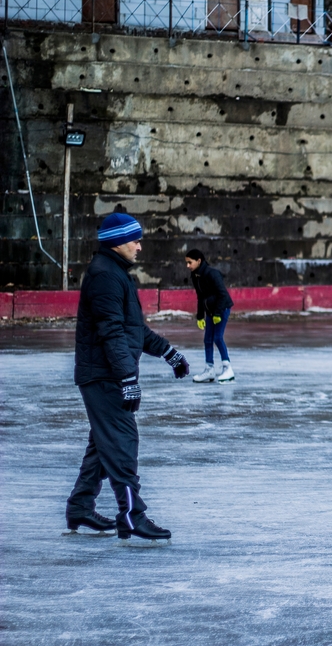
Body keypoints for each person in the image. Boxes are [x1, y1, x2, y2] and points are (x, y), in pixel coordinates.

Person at [66, 213, 189, 543]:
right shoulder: (106, 276)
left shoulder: (116, 273)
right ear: (118, 241)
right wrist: (127, 378)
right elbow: (110, 332)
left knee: (103, 444)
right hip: (103, 376)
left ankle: (80, 506)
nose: (139, 245)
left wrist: (168, 353)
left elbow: (135, 331)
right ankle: (132, 515)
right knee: (121, 442)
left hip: (104, 374)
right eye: (134, 239)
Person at [185, 249, 236, 383]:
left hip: (222, 309)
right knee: (208, 339)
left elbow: (222, 294)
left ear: (199, 261)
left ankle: (227, 369)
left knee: (217, 338)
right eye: (187, 263)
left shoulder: (212, 274)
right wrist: (200, 316)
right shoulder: (195, 276)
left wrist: (218, 313)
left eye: (190, 262)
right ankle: (209, 369)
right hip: (210, 311)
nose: (188, 266)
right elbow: (200, 297)